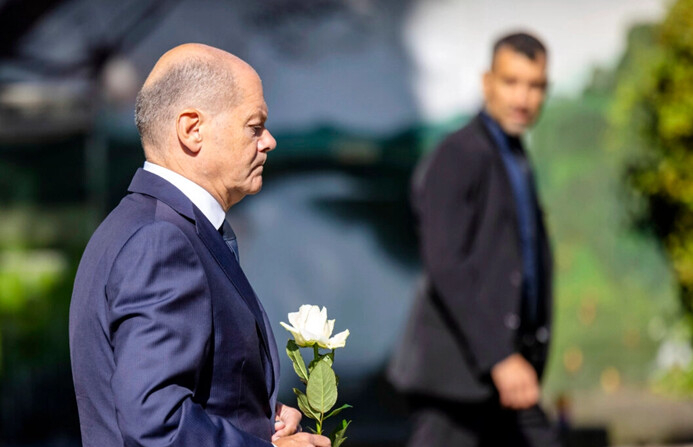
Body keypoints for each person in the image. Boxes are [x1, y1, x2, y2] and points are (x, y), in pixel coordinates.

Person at [69, 43, 330, 447]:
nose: (269, 141)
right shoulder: (160, 241)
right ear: (192, 129)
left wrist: (261, 421)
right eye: (255, 126)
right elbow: (157, 423)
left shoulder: (142, 226)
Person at [388, 32, 561, 446]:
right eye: (511, 81)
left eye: (535, 85)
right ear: (487, 83)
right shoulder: (459, 154)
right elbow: (446, 264)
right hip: (457, 380)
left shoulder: (514, 156)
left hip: (504, 375)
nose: (523, 97)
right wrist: (499, 356)